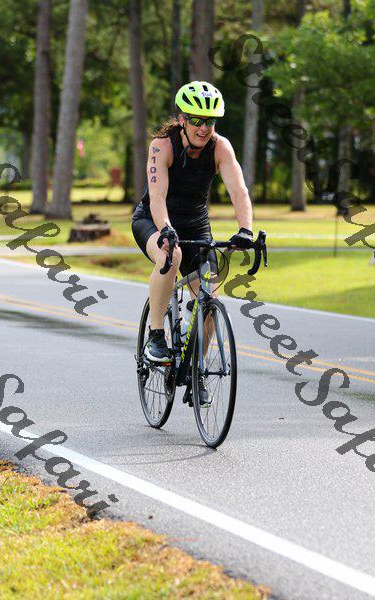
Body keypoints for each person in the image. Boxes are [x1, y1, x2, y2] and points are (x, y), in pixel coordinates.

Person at [132, 81, 253, 403]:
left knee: (209, 299)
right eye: (197, 120)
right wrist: (166, 229)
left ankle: (196, 367)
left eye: (210, 121)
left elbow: (239, 191)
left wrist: (246, 229)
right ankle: (156, 335)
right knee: (170, 256)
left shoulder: (221, 147)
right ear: (182, 119)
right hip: (153, 220)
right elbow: (157, 196)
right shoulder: (162, 145)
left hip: (196, 225)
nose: (204, 127)